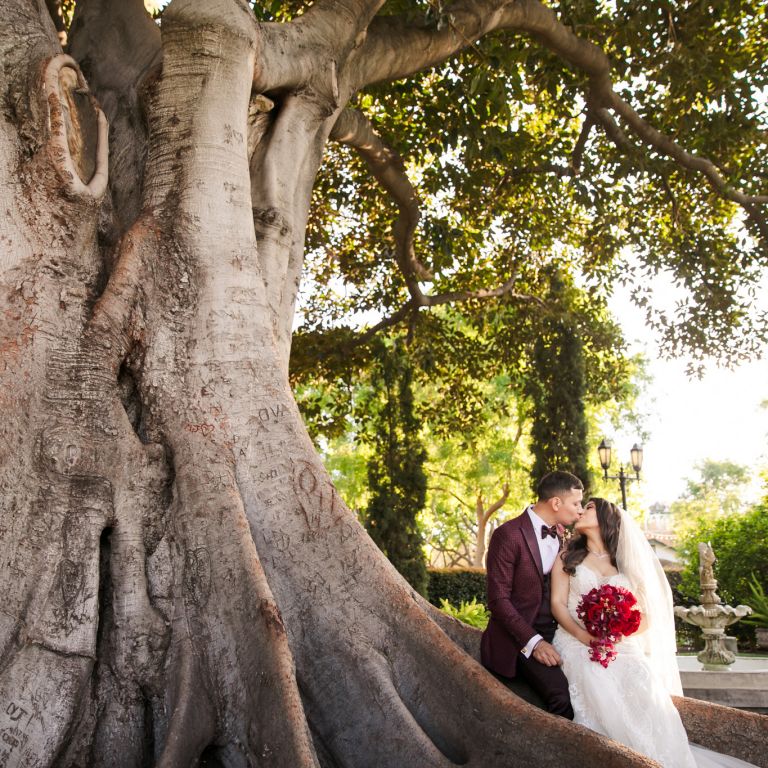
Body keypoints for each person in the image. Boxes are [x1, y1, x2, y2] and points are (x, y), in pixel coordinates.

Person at [551, 497, 758, 768]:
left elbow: (648, 615)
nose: (581, 511)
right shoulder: (568, 556)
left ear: (605, 518)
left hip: (619, 645)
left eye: (589, 507)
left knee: (644, 681)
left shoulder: (624, 563)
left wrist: (618, 631)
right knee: (596, 680)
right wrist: (585, 637)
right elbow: (557, 603)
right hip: (576, 641)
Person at [480, 470, 584, 718]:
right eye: (576, 503)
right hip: (519, 639)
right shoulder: (508, 535)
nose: (580, 510)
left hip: (559, 634)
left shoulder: (562, 536)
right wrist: (534, 642)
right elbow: (498, 600)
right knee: (562, 697)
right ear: (556, 503)